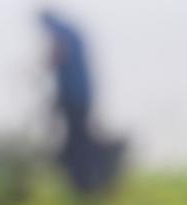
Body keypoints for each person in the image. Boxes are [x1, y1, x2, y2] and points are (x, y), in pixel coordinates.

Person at [40, 9, 124, 194]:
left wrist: (39, 70)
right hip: (78, 95)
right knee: (77, 139)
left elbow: (58, 55)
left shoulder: (62, 33)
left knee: (77, 142)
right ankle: (87, 183)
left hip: (74, 96)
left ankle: (87, 183)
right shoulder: (72, 31)